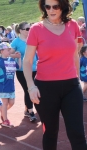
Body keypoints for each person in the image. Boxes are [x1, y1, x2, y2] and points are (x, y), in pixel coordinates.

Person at [23, 0, 87, 149]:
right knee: (50, 132)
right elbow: (27, 61)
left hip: (71, 86)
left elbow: (75, 55)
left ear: (63, 6)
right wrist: (31, 87)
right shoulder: (36, 29)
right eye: (47, 6)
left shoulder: (73, 26)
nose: (51, 10)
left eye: (55, 6)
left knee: (77, 133)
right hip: (45, 88)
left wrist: (77, 79)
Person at [10, 21, 37, 122]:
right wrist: (16, 56)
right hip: (22, 71)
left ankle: (27, 108)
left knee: (35, 88)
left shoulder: (33, 39)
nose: (29, 30)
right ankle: (31, 111)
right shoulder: (16, 42)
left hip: (35, 69)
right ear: (20, 31)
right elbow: (8, 54)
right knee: (28, 89)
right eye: (27, 29)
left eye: (30, 28)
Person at [0, 42, 21, 127]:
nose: (9, 51)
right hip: (2, 85)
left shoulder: (11, 60)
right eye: (7, 49)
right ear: (1, 51)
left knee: (11, 102)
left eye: (10, 49)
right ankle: (5, 120)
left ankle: (3, 111)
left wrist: (19, 58)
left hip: (11, 85)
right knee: (5, 102)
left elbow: (18, 66)